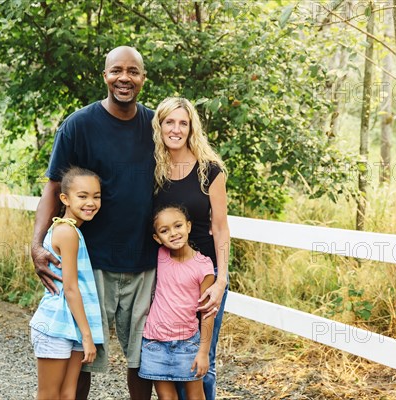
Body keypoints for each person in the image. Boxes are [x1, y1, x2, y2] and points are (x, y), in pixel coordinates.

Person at [30, 46, 157, 400]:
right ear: (105, 76)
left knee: (141, 360)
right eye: (117, 70)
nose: (125, 78)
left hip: (145, 261)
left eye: (134, 71)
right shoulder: (79, 125)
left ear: (143, 78)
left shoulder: (155, 125)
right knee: (81, 357)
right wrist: (37, 245)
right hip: (91, 262)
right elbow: (54, 187)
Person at [152, 97, 230, 400]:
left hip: (204, 277)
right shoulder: (152, 170)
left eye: (183, 122)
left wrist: (221, 279)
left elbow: (221, 227)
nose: (176, 129)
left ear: (191, 127)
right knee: (169, 359)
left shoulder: (210, 170)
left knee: (202, 361)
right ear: (159, 126)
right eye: (169, 122)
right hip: (167, 278)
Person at [29, 167, 104, 400]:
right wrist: (88, 336)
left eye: (96, 196)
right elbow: (70, 289)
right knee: (50, 395)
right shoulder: (67, 232)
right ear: (65, 198)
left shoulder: (74, 232)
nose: (90, 202)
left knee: (68, 394)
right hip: (56, 325)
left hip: (71, 325)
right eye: (82, 196)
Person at [139, 205, 216, 400]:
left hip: (187, 343)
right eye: (164, 231)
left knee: (195, 396)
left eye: (178, 226)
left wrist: (203, 352)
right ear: (157, 238)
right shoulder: (159, 256)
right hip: (154, 342)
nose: (173, 233)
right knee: (166, 397)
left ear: (188, 226)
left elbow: (207, 312)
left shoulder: (203, 266)